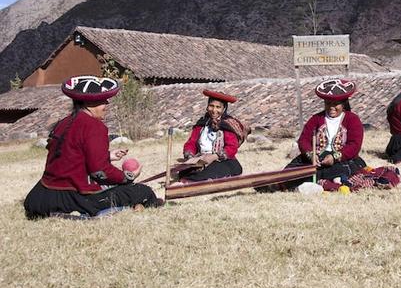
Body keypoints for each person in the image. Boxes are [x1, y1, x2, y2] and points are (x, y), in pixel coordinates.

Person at [23, 76, 160, 219]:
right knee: (144, 193)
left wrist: (107, 156)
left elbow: (70, 156)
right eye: (102, 100)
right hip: (73, 197)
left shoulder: (63, 123)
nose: (107, 104)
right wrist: (128, 177)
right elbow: (99, 172)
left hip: (40, 198)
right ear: (89, 103)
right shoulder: (94, 127)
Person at [259, 78, 366, 191]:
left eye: (335, 104)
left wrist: (335, 157)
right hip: (317, 157)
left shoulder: (352, 119)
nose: (331, 107)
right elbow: (303, 140)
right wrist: (311, 155)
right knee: (293, 170)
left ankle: (285, 185)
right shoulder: (316, 119)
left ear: (343, 104)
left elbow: (354, 145)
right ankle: (278, 182)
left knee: (329, 171)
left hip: (342, 159)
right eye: (328, 103)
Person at [179, 89, 249, 182]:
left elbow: (232, 147)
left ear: (224, 109)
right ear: (207, 107)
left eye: (218, 107)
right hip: (201, 160)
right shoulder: (202, 124)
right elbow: (191, 142)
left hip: (223, 161)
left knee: (208, 173)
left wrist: (213, 157)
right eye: (211, 106)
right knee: (183, 172)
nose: (214, 110)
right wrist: (190, 157)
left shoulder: (227, 125)